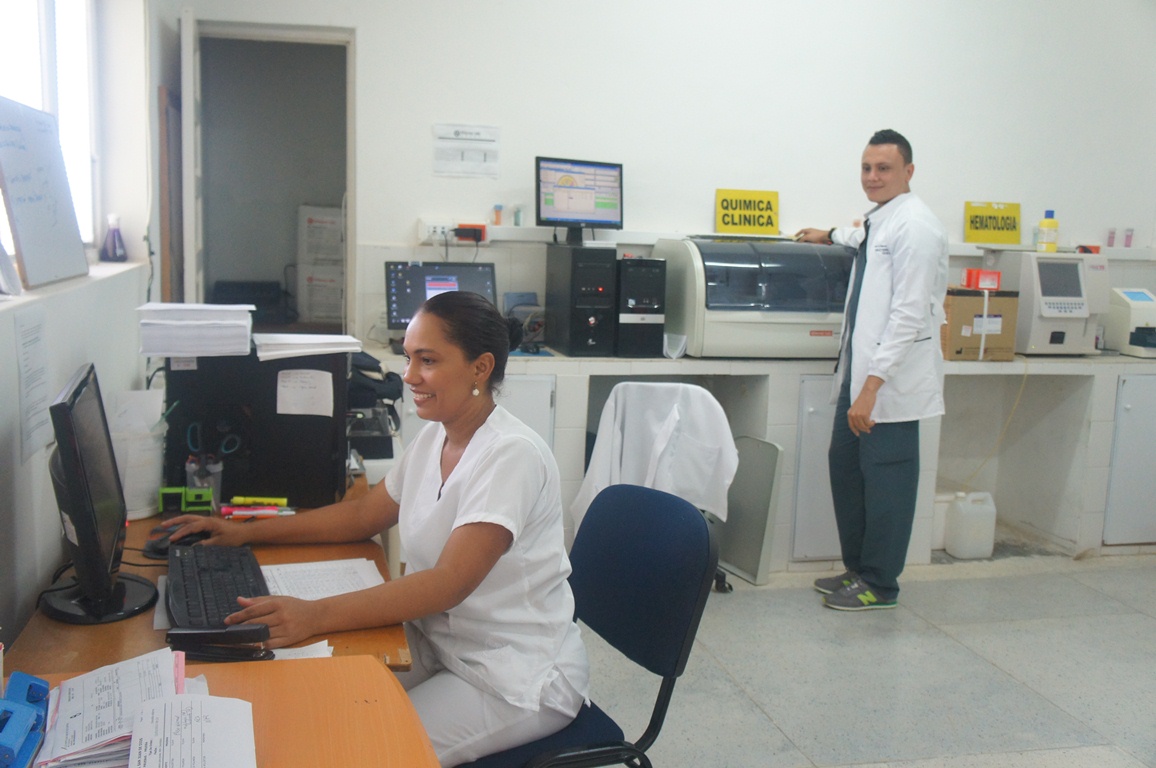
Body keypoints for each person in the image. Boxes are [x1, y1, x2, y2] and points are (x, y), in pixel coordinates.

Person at [166, 290, 589, 766]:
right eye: (409, 358)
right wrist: (247, 531)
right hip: (439, 642)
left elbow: (447, 584)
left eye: (427, 360)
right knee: (310, 706)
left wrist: (315, 614)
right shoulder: (436, 436)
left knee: (362, 749)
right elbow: (364, 515)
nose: (409, 376)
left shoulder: (511, 454)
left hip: (511, 673)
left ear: (480, 367)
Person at [795, 129, 948, 611]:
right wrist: (829, 234)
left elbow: (907, 316)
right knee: (846, 468)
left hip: (890, 386)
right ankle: (858, 568)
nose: (873, 176)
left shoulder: (918, 228)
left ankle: (881, 583)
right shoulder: (882, 220)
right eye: (866, 168)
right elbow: (860, 236)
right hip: (862, 377)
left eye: (884, 168)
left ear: (908, 171)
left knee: (887, 483)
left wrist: (872, 390)